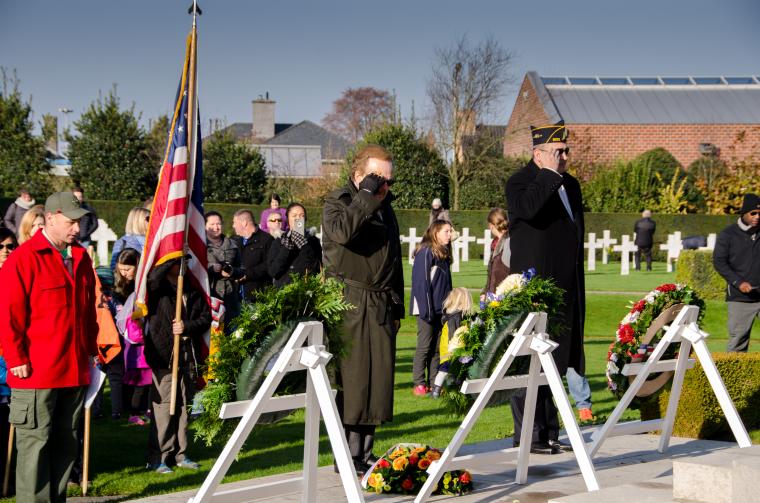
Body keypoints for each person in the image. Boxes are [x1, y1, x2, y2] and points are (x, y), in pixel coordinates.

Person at [0, 191, 98, 501]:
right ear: (51, 218)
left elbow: (86, 311)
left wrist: (91, 352)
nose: (76, 229)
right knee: (35, 445)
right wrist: (16, 357)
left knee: (65, 443)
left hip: (73, 369)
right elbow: (8, 315)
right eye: (70, 222)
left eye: (78, 223)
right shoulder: (23, 258)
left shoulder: (79, 257)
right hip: (35, 371)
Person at [505, 121, 589, 454]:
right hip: (535, 288)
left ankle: (550, 433)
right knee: (531, 363)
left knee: (554, 360)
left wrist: (558, 176)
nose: (565, 157)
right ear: (538, 153)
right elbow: (528, 210)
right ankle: (530, 435)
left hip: (565, 288)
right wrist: (550, 175)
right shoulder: (520, 181)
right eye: (558, 152)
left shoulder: (572, 184)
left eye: (566, 150)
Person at [322, 144, 405, 475]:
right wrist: (366, 196)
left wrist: (397, 305)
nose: (384, 185)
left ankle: (364, 452)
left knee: (377, 382)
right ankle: (346, 455)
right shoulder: (338, 202)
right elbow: (342, 232)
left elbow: (394, 260)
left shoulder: (386, 208)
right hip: (350, 301)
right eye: (376, 178)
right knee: (354, 382)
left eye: (387, 179)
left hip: (381, 303)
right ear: (358, 176)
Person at [144, 257, 211, 474]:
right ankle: (158, 457)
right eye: (178, 261)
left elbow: (205, 317)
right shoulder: (157, 289)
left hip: (187, 356)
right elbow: (151, 278)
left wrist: (187, 326)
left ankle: (180, 454)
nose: (183, 264)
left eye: (185, 261)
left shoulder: (191, 288)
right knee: (163, 407)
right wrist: (169, 257)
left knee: (183, 406)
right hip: (164, 356)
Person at [410, 219, 453, 396]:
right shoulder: (426, 252)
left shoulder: (443, 254)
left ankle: (434, 382)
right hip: (426, 309)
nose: (450, 235)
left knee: (436, 348)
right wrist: (427, 309)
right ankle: (419, 383)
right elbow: (421, 284)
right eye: (446, 231)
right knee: (425, 346)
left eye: (450, 231)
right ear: (436, 233)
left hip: (440, 310)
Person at [713, 193, 760, 352]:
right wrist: (738, 282)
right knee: (738, 341)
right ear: (744, 213)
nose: (757, 216)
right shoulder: (728, 235)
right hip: (740, 298)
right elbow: (719, 262)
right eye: (753, 213)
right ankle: (733, 377)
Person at [112, 249, 152, 425]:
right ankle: (132, 410)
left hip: (141, 331)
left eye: (128, 269)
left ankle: (146, 408)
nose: (124, 273)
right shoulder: (121, 285)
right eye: (121, 269)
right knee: (132, 375)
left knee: (146, 376)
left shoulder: (143, 283)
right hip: (128, 334)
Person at [267, 203, 322, 287]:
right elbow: (273, 272)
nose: (298, 218)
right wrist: (286, 248)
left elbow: (318, 268)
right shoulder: (279, 241)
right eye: (294, 215)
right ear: (288, 219)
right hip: (285, 291)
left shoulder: (312, 240)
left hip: (307, 289)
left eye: (301, 215)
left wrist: (305, 246)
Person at [431, 287, 472, 399]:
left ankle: (449, 390)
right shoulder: (455, 317)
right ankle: (436, 390)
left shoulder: (457, 316)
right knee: (444, 371)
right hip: (450, 350)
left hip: (450, 349)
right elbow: (453, 335)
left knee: (450, 372)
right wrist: (455, 350)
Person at [0, 228, 17, 483]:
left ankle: (8, 478)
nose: (5, 251)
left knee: (8, 428)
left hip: (10, 365)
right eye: (1, 246)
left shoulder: (17, 276)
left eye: (9, 246)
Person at [205, 211, 244, 325]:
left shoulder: (232, 244)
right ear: (205, 226)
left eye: (218, 224)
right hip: (210, 298)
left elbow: (242, 269)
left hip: (230, 299)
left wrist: (232, 271)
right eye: (212, 224)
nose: (216, 227)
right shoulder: (200, 245)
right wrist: (210, 268)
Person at [232, 209, 273, 300]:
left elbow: (269, 264)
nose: (233, 226)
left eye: (234, 222)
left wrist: (247, 275)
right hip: (237, 297)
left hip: (258, 296)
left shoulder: (267, 240)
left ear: (244, 223)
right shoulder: (236, 241)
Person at [482, 208, 511, 301]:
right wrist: (485, 292)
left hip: (505, 299)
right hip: (493, 298)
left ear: (491, 225)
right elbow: (492, 274)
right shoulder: (495, 243)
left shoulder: (509, 242)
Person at [72, 186, 99, 254]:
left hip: (85, 240)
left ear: (82, 198)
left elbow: (95, 224)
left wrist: (86, 234)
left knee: (83, 259)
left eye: (79, 197)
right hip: (71, 239)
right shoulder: (67, 210)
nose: (78, 199)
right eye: (75, 197)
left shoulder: (89, 209)